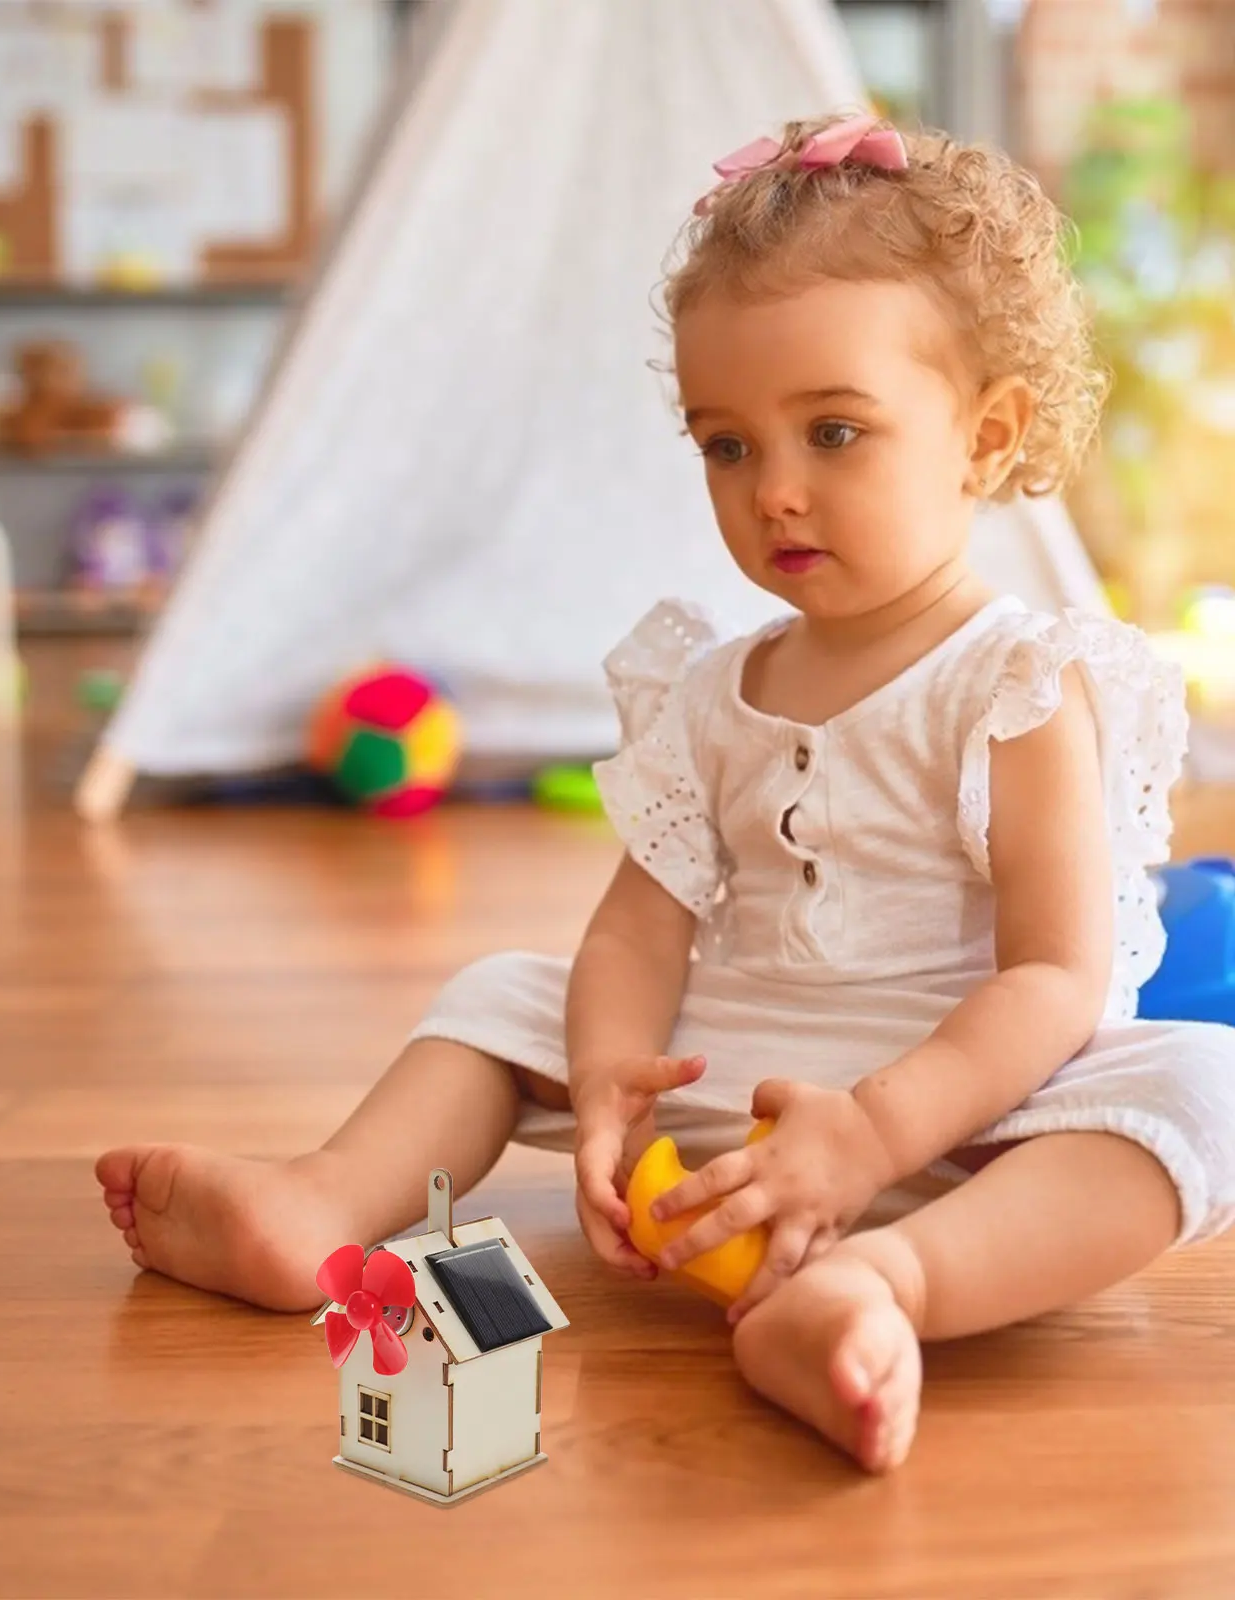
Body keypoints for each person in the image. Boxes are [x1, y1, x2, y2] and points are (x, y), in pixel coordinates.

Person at [95, 113, 1235, 1473]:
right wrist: (602, 1084)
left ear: (986, 438)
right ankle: (324, 1204)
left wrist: (875, 1131)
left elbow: (1053, 979)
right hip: (724, 1097)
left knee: (1204, 1083)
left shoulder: (1023, 682)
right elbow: (640, 924)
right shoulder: (714, 683)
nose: (777, 494)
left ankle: (886, 1286)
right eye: (727, 446)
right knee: (505, 991)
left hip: (962, 1123)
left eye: (833, 431)